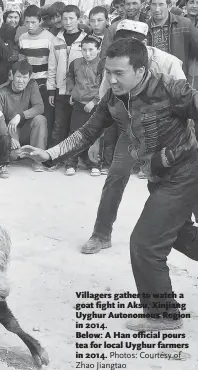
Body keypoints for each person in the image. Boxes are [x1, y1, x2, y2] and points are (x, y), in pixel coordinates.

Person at [20, 38, 198, 332]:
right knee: (177, 235)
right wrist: (49, 154)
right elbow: (87, 132)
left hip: (185, 173)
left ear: (140, 71)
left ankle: (164, 314)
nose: (112, 80)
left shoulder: (170, 88)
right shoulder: (114, 99)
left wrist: (179, 155)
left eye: (119, 73)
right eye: (109, 72)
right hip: (159, 177)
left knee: (145, 244)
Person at [81, 20, 188, 254]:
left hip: (170, 137)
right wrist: (96, 140)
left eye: (132, 40)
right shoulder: (114, 66)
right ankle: (101, 234)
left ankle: (183, 229)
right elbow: (103, 108)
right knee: (115, 177)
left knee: (181, 182)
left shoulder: (168, 63)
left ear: (144, 43)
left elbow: (185, 105)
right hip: (132, 132)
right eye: (121, 39)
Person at [47, 5, 88, 165]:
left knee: (77, 127)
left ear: (78, 19)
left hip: (79, 92)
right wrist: (51, 90)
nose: (68, 22)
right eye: (65, 18)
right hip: (60, 91)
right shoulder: (56, 39)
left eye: (71, 18)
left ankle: (75, 160)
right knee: (58, 126)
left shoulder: (85, 39)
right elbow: (52, 66)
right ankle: (54, 159)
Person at [0, 60, 47, 172]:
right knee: (14, 156)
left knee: (40, 119)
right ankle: (19, 153)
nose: (21, 81)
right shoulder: (1, 91)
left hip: (26, 127)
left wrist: (20, 116)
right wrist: (8, 136)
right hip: (10, 129)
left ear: (29, 78)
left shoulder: (32, 85)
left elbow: (39, 107)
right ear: (12, 76)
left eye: (25, 77)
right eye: (18, 76)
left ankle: (38, 160)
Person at [65, 35, 104, 176]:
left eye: (91, 50)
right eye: (84, 49)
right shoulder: (75, 63)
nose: (87, 53)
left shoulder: (102, 65)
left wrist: (94, 101)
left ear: (98, 49)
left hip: (95, 105)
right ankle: (71, 162)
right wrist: (72, 92)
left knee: (94, 134)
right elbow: (70, 77)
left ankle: (95, 163)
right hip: (78, 104)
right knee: (75, 133)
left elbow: (106, 86)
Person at [18, 5, 56, 145]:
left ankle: (43, 151)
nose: (29, 25)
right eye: (27, 22)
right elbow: (22, 63)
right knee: (29, 116)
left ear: (40, 21)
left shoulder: (49, 38)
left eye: (33, 22)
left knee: (45, 117)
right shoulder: (22, 38)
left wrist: (50, 85)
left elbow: (53, 65)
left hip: (44, 83)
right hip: (28, 83)